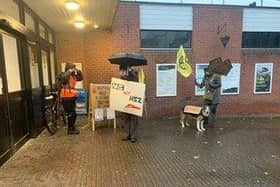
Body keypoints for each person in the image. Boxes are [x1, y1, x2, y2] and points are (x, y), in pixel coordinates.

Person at [59, 63, 83, 135]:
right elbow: (63, 79)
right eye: (72, 68)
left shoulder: (73, 76)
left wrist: (78, 71)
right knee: (71, 113)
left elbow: (80, 78)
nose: (73, 70)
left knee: (73, 113)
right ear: (68, 68)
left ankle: (72, 127)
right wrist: (69, 71)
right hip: (66, 97)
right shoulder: (63, 74)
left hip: (72, 97)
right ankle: (70, 130)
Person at [119, 65, 139, 143]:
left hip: (133, 101)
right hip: (124, 101)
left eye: (123, 71)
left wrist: (129, 75)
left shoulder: (134, 75)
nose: (121, 72)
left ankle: (133, 136)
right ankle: (127, 134)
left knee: (133, 119)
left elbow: (136, 83)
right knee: (125, 119)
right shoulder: (122, 78)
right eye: (121, 71)